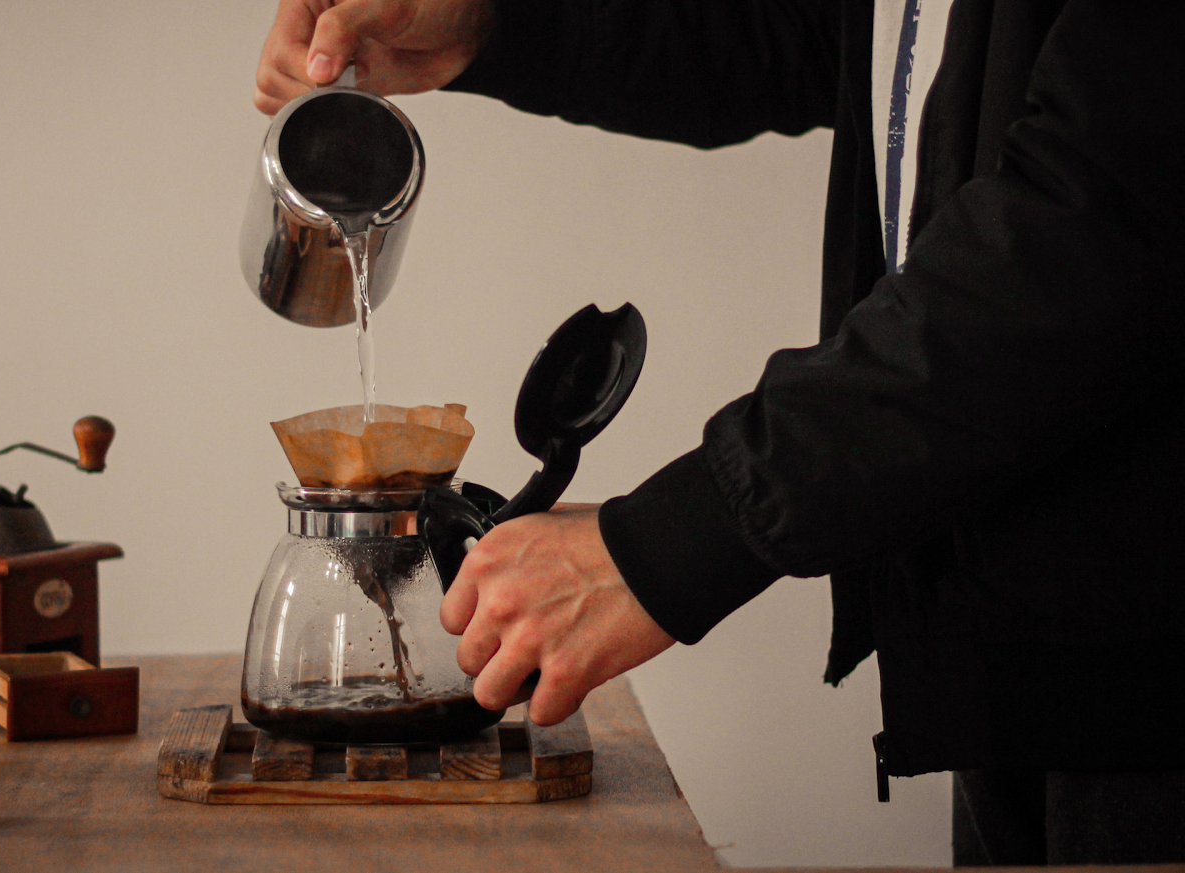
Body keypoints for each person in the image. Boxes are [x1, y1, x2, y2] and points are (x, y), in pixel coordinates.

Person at [255, 0, 1184, 864]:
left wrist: (671, 541)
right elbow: (795, 31)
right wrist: (498, 26)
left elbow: (1094, 226)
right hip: (1017, 654)